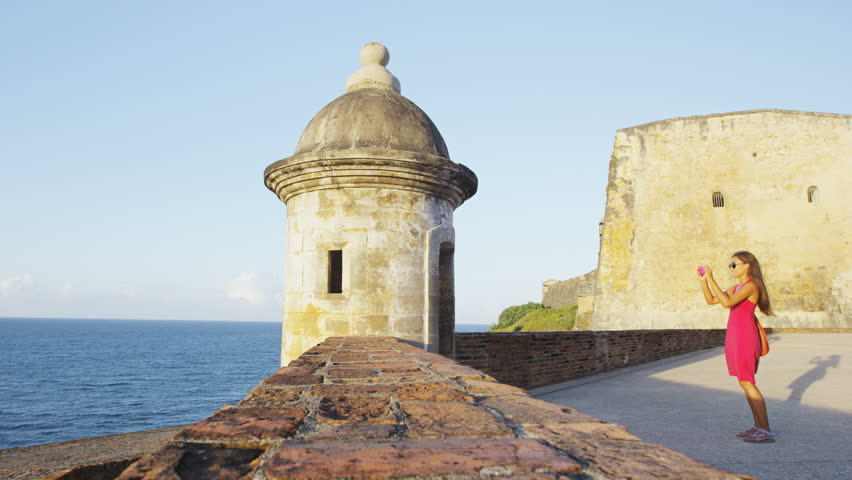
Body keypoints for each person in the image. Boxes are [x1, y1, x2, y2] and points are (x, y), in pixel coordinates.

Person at [698, 251, 775, 443]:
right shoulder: (737, 287)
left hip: (745, 338)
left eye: (734, 264)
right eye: (730, 265)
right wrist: (703, 281)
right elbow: (711, 300)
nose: (731, 268)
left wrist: (712, 278)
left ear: (747, 265)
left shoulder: (751, 286)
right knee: (744, 381)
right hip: (735, 337)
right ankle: (758, 426)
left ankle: (765, 430)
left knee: (748, 381)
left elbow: (727, 303)